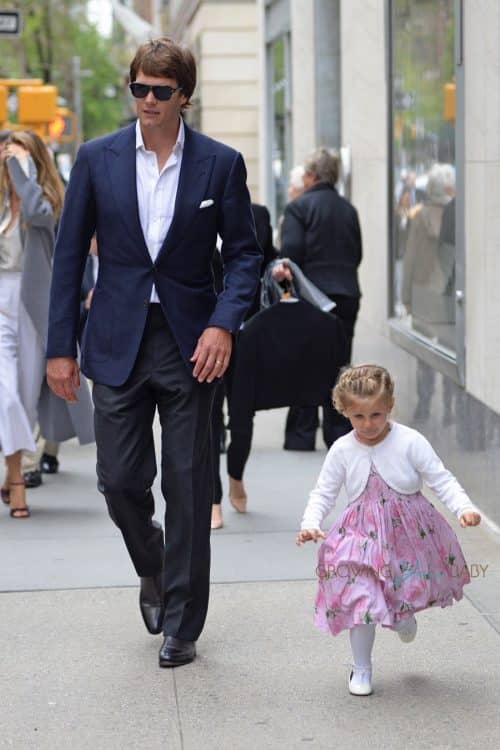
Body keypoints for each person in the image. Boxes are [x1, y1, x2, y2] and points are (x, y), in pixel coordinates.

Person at [46, 38, 261, 668]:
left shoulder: (220, 165)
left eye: (159, 91)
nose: (146, 100)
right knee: (118, 483)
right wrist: (61, 348)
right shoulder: (96, 158)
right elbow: (67, 258)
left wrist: (224, 324)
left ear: (183, 96)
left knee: (190, 483)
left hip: (192, 343)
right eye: (138, 88)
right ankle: (154, 563)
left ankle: (183, 622)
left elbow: (245, 255)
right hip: (115, 340)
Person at [296, 364, 481, 696]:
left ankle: (403, 617)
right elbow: (324, 492)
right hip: (360, 536)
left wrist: (464, 507)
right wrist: (310, 523)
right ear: (345, 412)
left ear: (390, 406)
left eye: (376, 415)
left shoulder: (411, 441)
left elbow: (441, 478)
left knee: (399, 596)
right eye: (359, 417)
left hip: (408, 535)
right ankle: (361, 668)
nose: (368, 425)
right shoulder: (342, 449)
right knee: (361, 599)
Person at [1, 131, 93, 517]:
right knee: (5, 393)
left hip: (35, 303)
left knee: (23, 397)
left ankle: (11, 470)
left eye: (17, 156)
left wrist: (22, 172)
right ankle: (18, 477)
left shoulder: (50, 200)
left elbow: (39, 216)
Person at [275, 146, 362, 450]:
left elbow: (291, 256)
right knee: (339, 363)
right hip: (348, 294)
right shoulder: (348, 209)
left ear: (311, 175)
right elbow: (357, 254)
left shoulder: (299, 208)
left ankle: (301, 434)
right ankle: (338, 432)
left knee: (306, 362)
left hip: (313, 295)